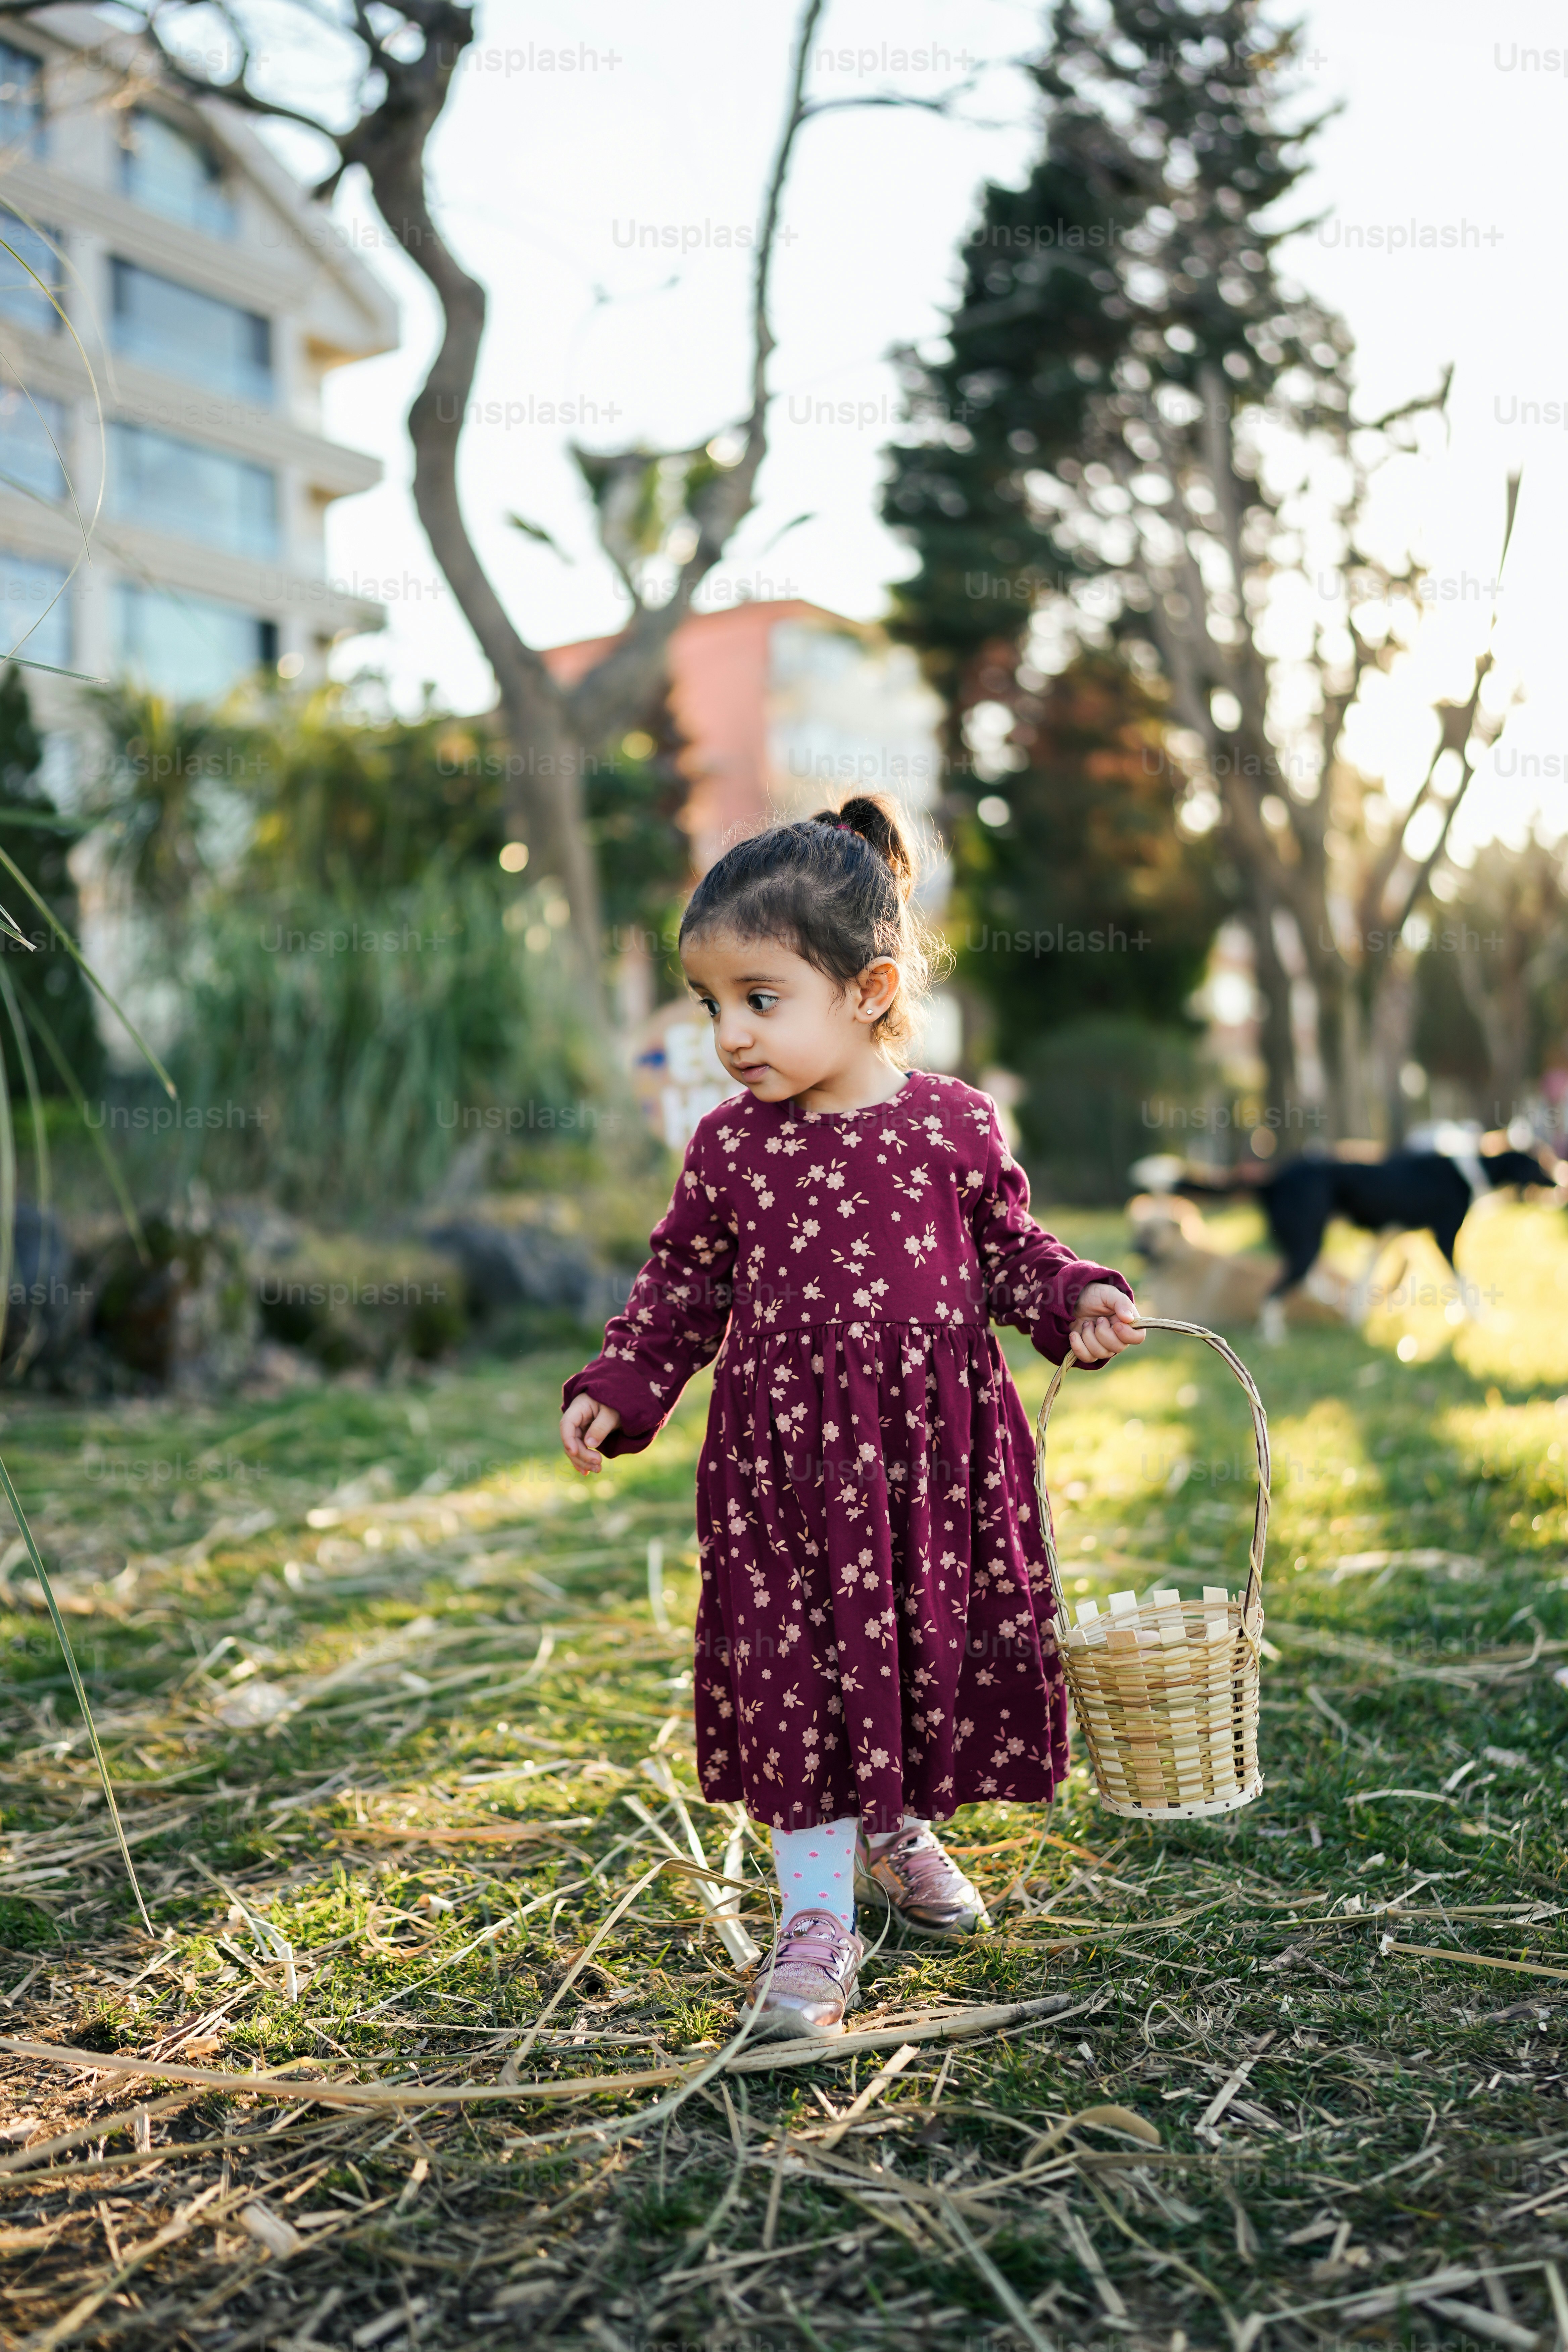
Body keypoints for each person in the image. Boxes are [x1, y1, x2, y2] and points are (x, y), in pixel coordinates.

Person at [561, 795, 1142, 2039]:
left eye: (759, 999)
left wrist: (1076, 1295)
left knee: (915, 1659)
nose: (729, 1034)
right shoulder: (732, 1149)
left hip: (932, 1464)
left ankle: (895, 1828)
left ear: (871, 988)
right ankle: (813, 1919)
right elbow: (683, 1287)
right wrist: (624, 1387)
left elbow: (1008, 1255)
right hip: (782, 1468)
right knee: (797, 1671)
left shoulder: (953, 1125)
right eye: (711, 1003)